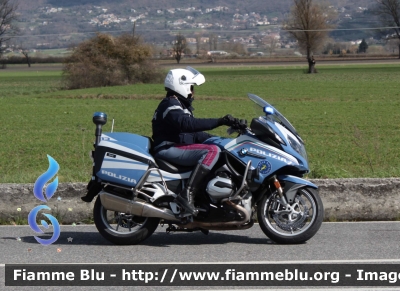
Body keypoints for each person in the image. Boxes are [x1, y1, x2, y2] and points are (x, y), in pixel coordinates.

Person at [152, 66, 240, 216]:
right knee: (212, 151)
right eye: (191, 87)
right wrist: (220, 121)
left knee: (215, 145)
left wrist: (223, 140)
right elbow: (187, 125)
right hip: (167, 148)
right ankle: (187, 194)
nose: (193, 92)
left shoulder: (179, 105)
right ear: (182, 86)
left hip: (176, 145)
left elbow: (194, 134)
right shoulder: (170, 104)